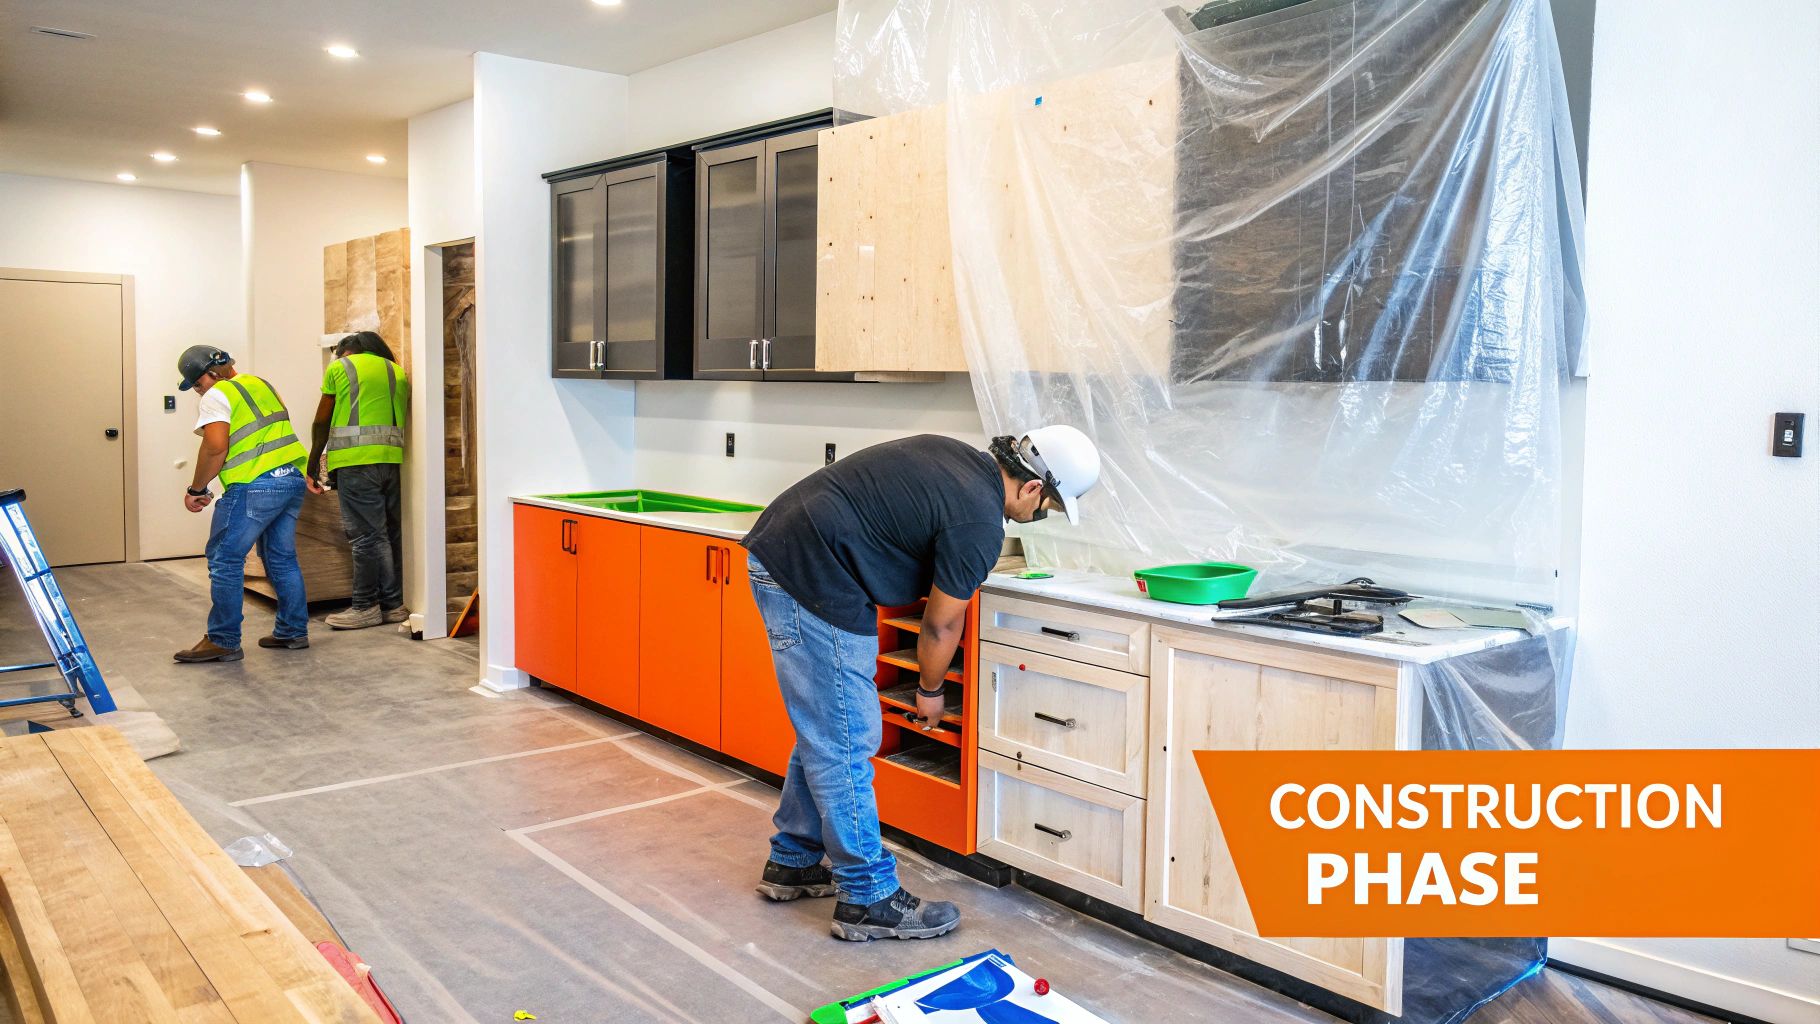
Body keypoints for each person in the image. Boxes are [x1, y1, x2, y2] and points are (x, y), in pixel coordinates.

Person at [742, 427, 1101, 941]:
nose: (1042, 517)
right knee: (845, 738)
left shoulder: (956, 456)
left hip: (791, 552)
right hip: (812, 572)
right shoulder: (979, 521)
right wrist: (930, 691)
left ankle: (794, 861)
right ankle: (868, 897)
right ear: (1029, 487)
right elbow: (941, 624)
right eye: (1048, 506)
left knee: (830, 726)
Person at [172, 345, 311, 663]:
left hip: (255, 485)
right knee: (281, 558)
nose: (197, 391)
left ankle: (223, 639)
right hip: (290, 478)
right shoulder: (262, 384)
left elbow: (216, 446)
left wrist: (197, 488)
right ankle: (293, 631)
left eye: (196, 383)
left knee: (224, 559)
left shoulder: (216, 394)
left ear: (210, 373)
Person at [306, 331, 410, 629]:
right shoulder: (396, 370)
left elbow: (321, 419)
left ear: (347, 350)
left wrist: (313, 464)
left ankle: (364, 606)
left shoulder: (341, 367)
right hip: (389, 460)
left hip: (355, 461)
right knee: (387, 534)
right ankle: (392, 605)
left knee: (365, 537)